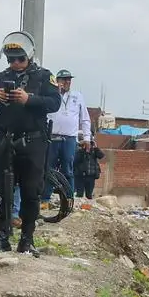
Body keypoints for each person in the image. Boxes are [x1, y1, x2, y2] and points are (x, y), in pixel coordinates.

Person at [0, 30, 60, 255]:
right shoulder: (0, 78)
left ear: (29, 56)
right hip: (5, 141)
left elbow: (54, 102)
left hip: (32, 143)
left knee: (30, 191)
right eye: (11, 59)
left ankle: (27, 239)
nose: (15, 63)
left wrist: (29, 99)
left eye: (19, 59)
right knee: (1, 192)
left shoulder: (43, 76)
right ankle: (1, 237)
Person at [48, 68, 90, 203]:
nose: (67, 82)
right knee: (49, 168)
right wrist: (56, 92)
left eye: (69, 80)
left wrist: (87, 138)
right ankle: (45, 197)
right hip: (52, 137)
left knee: (68, 168)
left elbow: (85, 119)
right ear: (57, 81)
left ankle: (68, 198)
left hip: (69, 138)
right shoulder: (51, 95)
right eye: (64, 79)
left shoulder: (77, 96)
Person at [76, 136, 105, 201]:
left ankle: (88, 206)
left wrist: (96, 147)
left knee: (89, 195)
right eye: (87, 143)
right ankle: (79, 205)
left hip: (91, 177)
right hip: (80, 176)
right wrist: (83, 150)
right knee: (79, 194)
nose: (88, 145)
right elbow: (76, 160)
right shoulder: (80, 150)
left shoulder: (94, 151)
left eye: (89, 143)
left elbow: (101, 156)